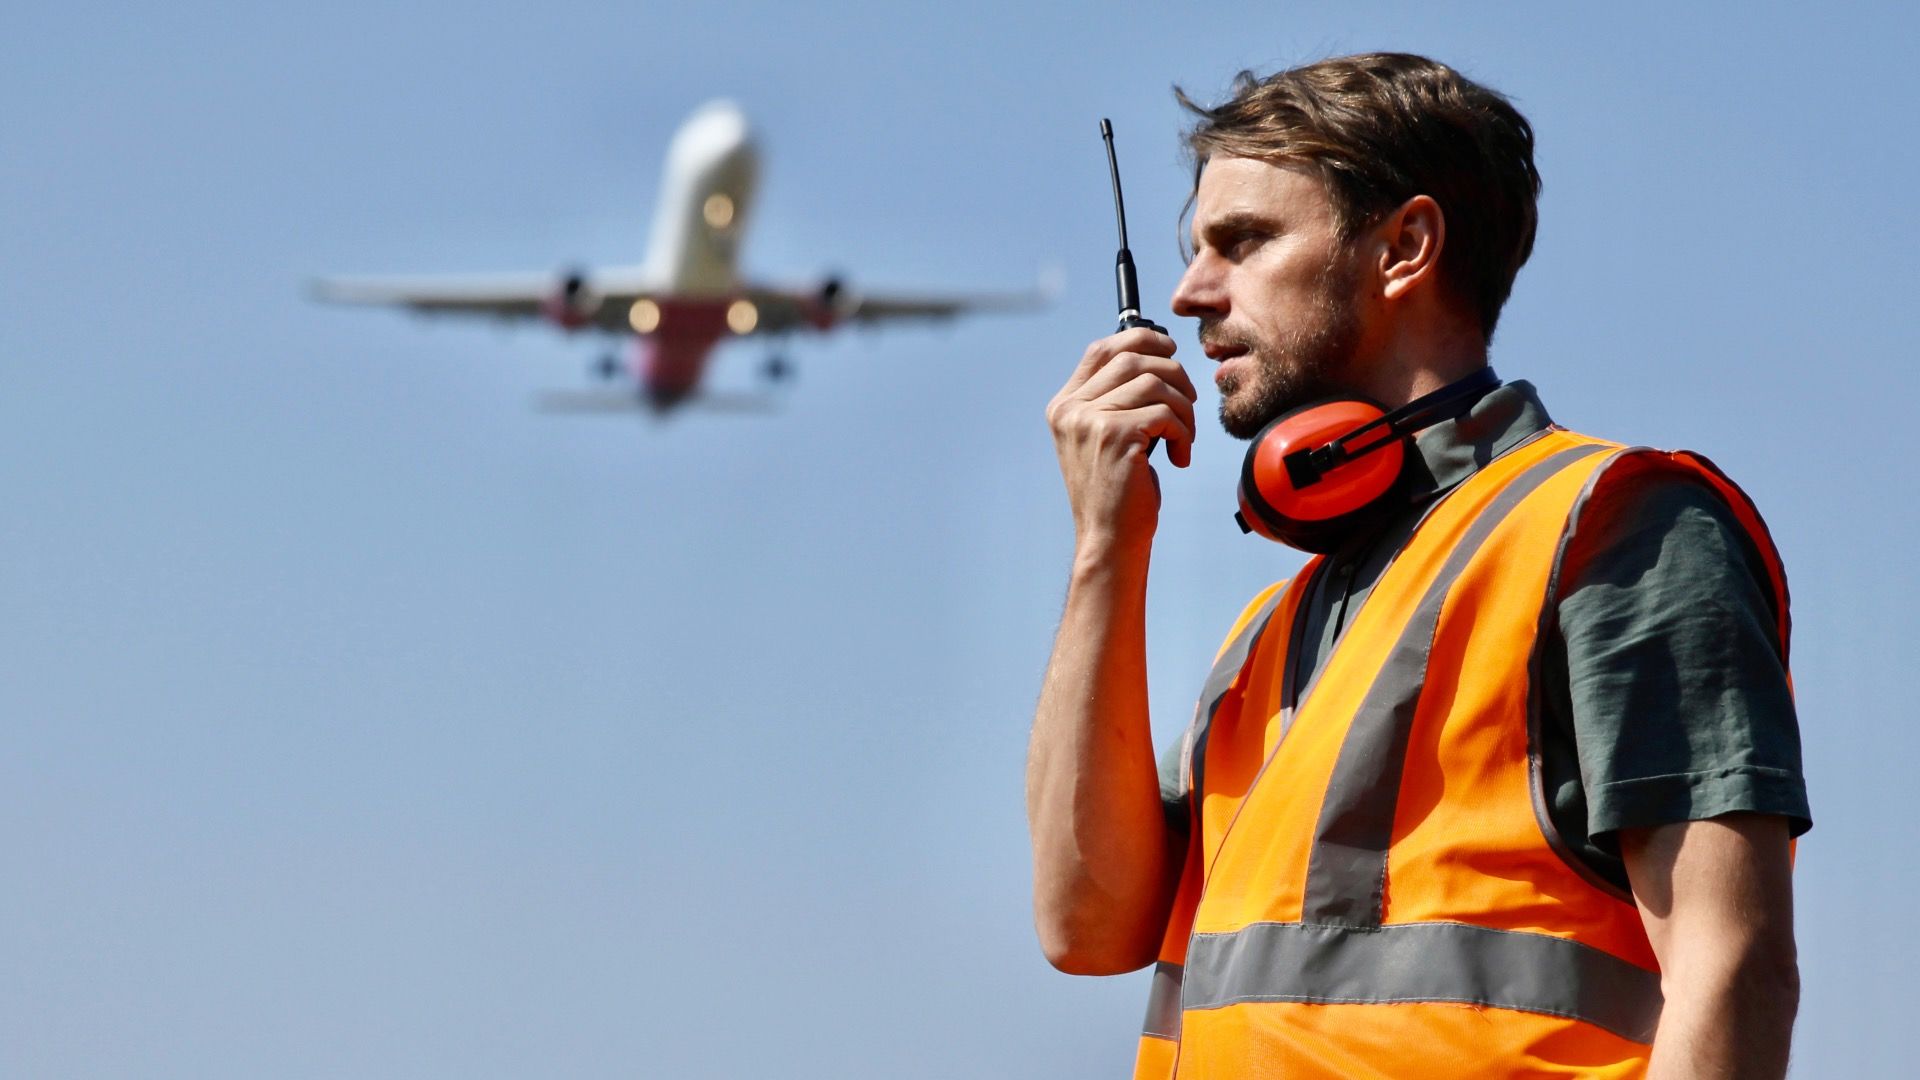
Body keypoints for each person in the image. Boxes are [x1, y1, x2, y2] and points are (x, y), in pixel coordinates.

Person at [1027, 53, 1808, 1079]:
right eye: (1192, 252)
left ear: (1405, 246)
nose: (1187, 294)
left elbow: (1734, 968)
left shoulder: (1620, 527)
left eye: (1243, 241)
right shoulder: (1268, 633)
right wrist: (1105, 550)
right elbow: (1084, 926)